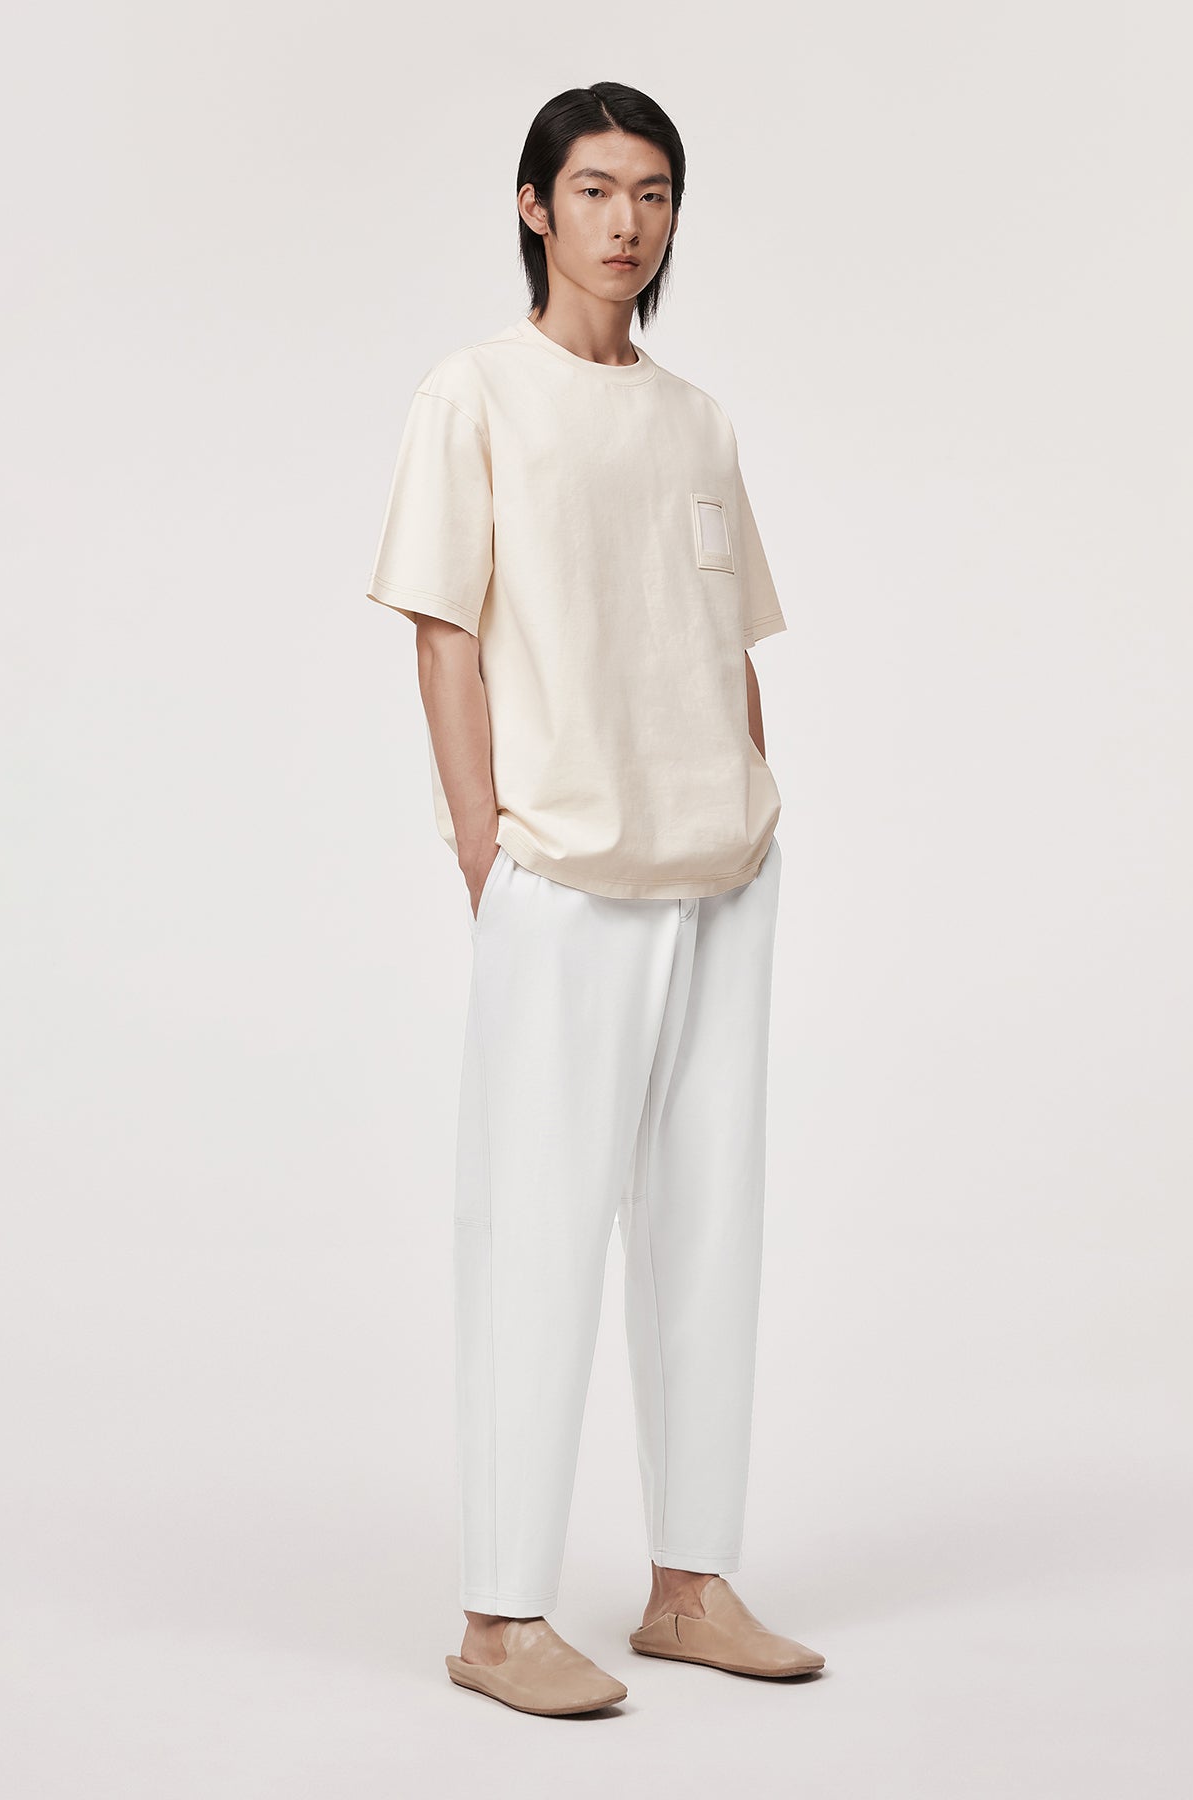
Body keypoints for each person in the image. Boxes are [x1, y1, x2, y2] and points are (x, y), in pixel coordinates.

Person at [365, 82, 824, 1717]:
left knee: (710, 1227)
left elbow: (728, 639)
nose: (627, 221)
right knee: (536, 1232)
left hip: (720, 871)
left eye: (654, 193)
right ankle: (500, 1621)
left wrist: (756, 803)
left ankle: (691, 1583)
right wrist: (483, 855)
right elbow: (444, 630)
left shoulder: (697, 418)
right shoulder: (476, 394)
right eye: (595, 189)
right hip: (563, 870)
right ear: (533, 205)